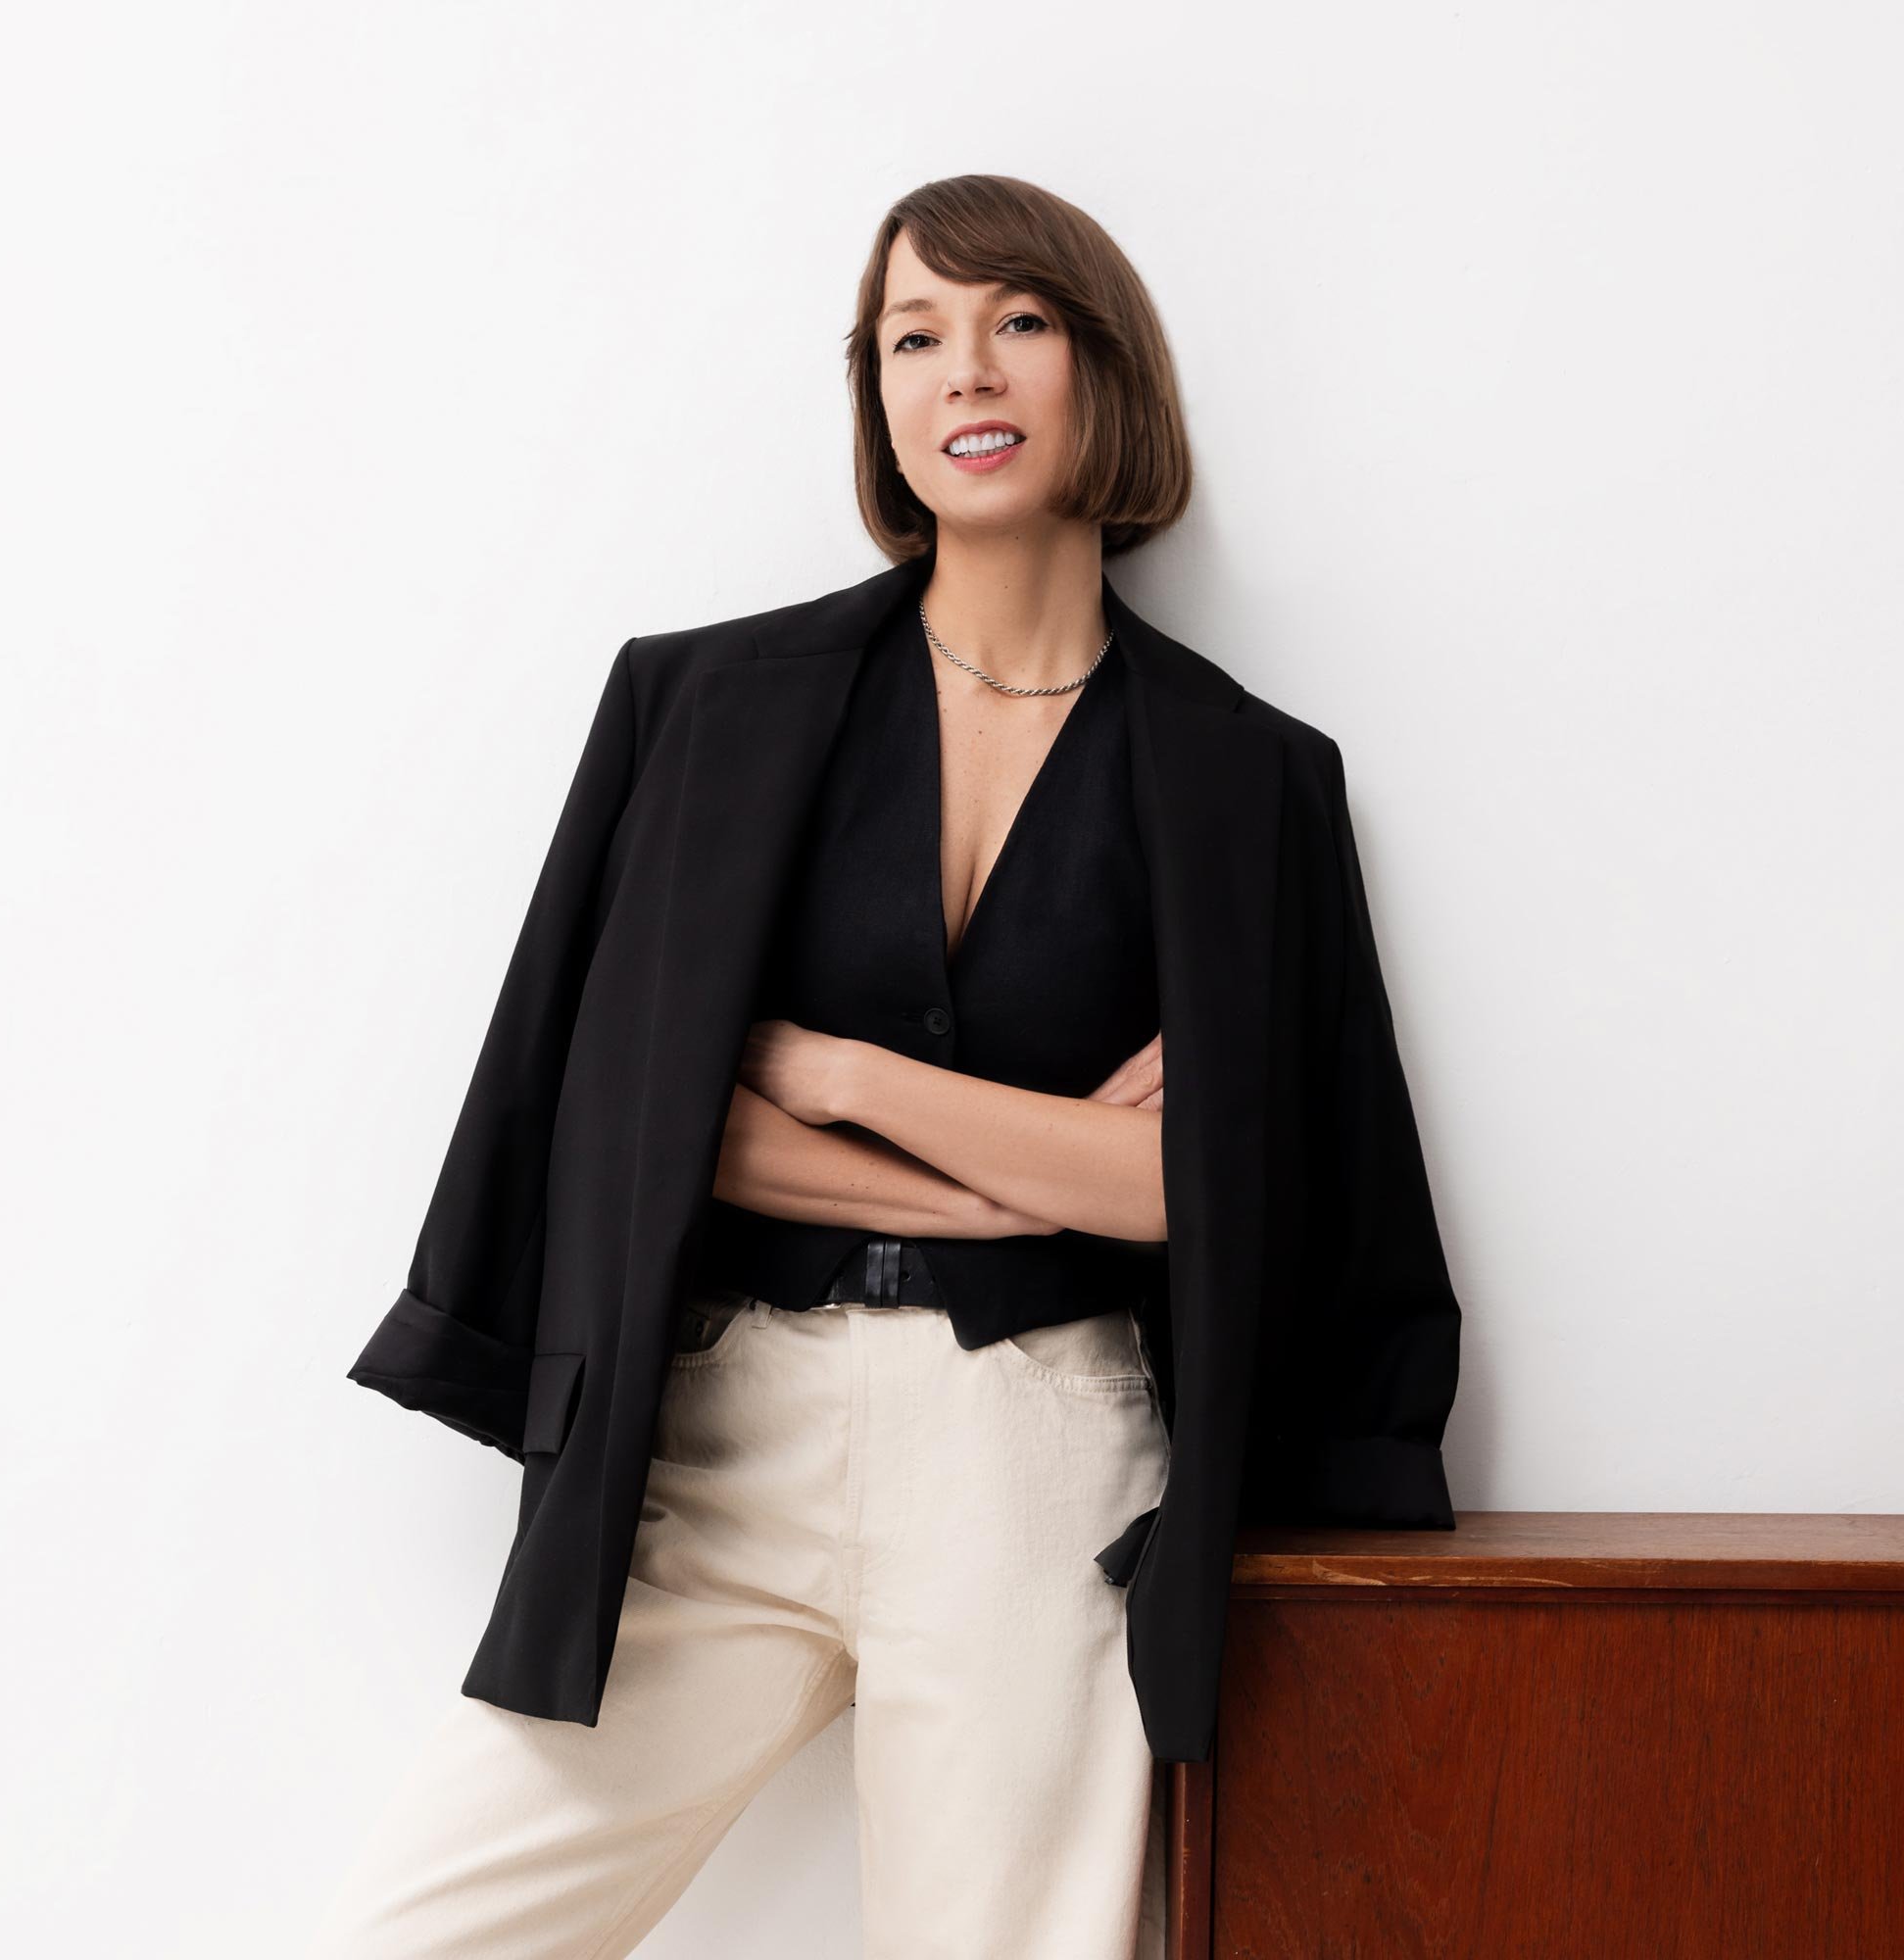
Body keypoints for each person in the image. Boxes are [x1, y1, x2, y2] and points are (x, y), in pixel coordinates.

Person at [314, 172, 1461, 1960]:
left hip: (1041, 1464)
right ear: (877, 398)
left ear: (1103, 372)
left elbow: (1226, 1203)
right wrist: (1053, 1163)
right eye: (912, 337)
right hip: (718, 1445)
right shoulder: (702, 708)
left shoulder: (1249, 783)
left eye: (1016, 319)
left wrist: (834, 1076)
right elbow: (651, 1125)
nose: (962, 371)